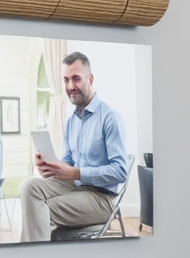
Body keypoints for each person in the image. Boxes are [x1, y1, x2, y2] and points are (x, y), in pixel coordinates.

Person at [19, 53, 128, 242]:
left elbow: (120, 172)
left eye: (76, 78)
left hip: (102, 199)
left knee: (39, 208)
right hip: (75, 188)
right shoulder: (71, 121)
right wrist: (50, 167)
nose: (70, 86)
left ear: (90, 78)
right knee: (29, 187)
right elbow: (68, 162)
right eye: (66, 79)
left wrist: (77, 173)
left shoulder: (110, 118)